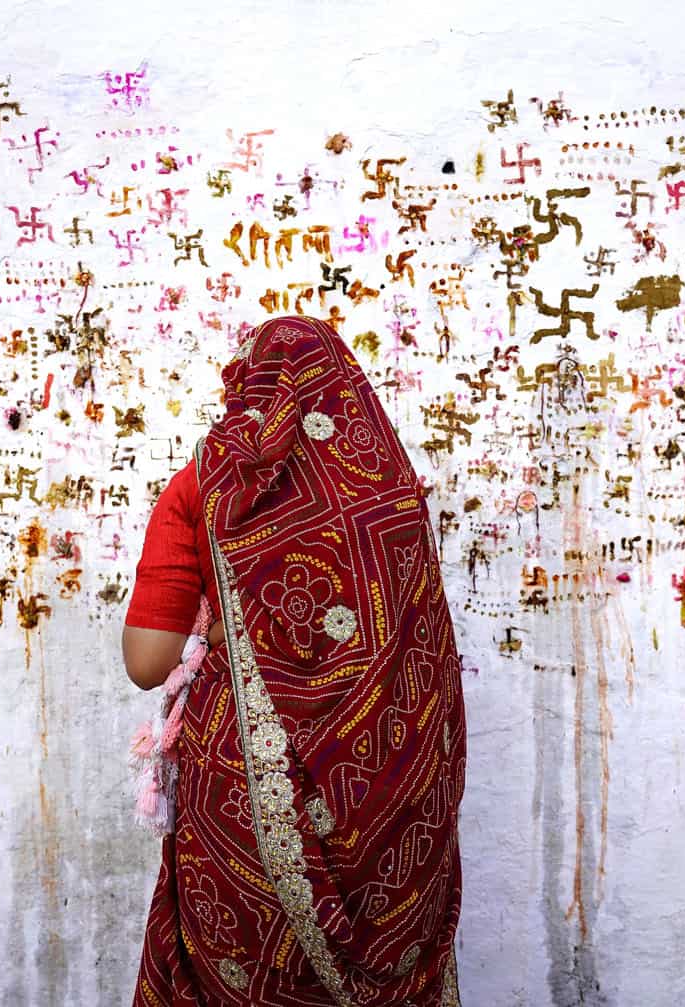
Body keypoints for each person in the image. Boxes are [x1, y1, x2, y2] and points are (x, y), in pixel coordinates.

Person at [122, 314, 467, 1006]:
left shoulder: (202, 485)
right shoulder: (388, 487)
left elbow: (147, 660)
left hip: (245, 799)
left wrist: (222, 628)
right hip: (395, 803)